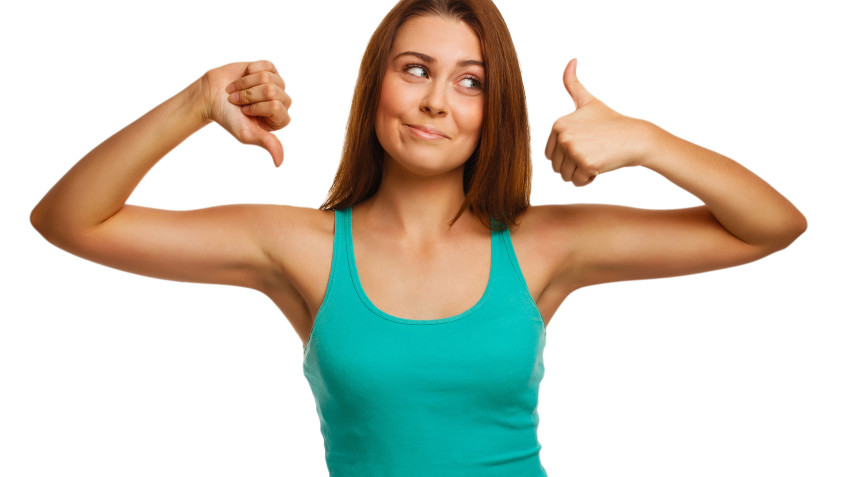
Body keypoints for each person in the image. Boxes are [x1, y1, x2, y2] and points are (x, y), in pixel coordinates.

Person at [30, 0, 806, 475]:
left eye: (471, 80)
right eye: (415, 69)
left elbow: (772, 226)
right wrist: (198, 101)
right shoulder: (296, 247)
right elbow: (70, 220)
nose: (438, 101)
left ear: (494, 107)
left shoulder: (544, 246)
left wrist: (646, 141)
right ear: (377, 84)